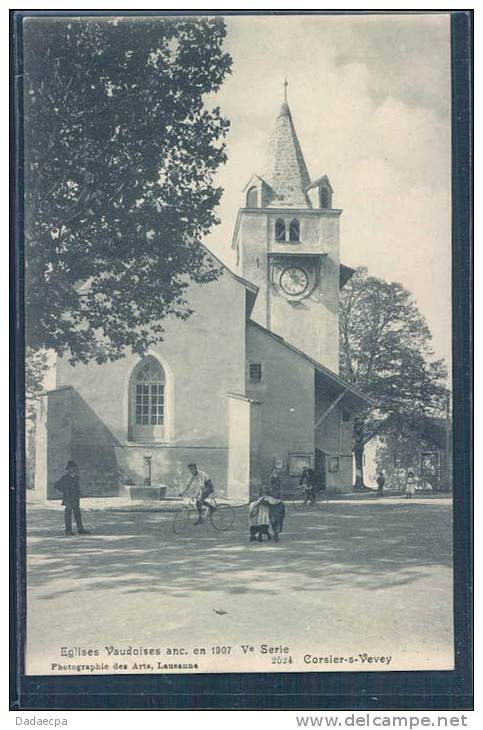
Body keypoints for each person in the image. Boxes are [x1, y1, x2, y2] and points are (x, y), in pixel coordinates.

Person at [55, 460, 90, 536]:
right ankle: (68, 530)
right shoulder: (65, 478)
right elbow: (57, 485)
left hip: (75, 498)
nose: (74, 470)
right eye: (72, 468)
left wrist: (79, 494)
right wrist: (65, 490)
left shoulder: (76, 478)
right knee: (68, 515)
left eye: (75, 468)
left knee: (77, 514)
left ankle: (80, 529)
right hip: (68, 498)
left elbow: (77, 487)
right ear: (68, 469)